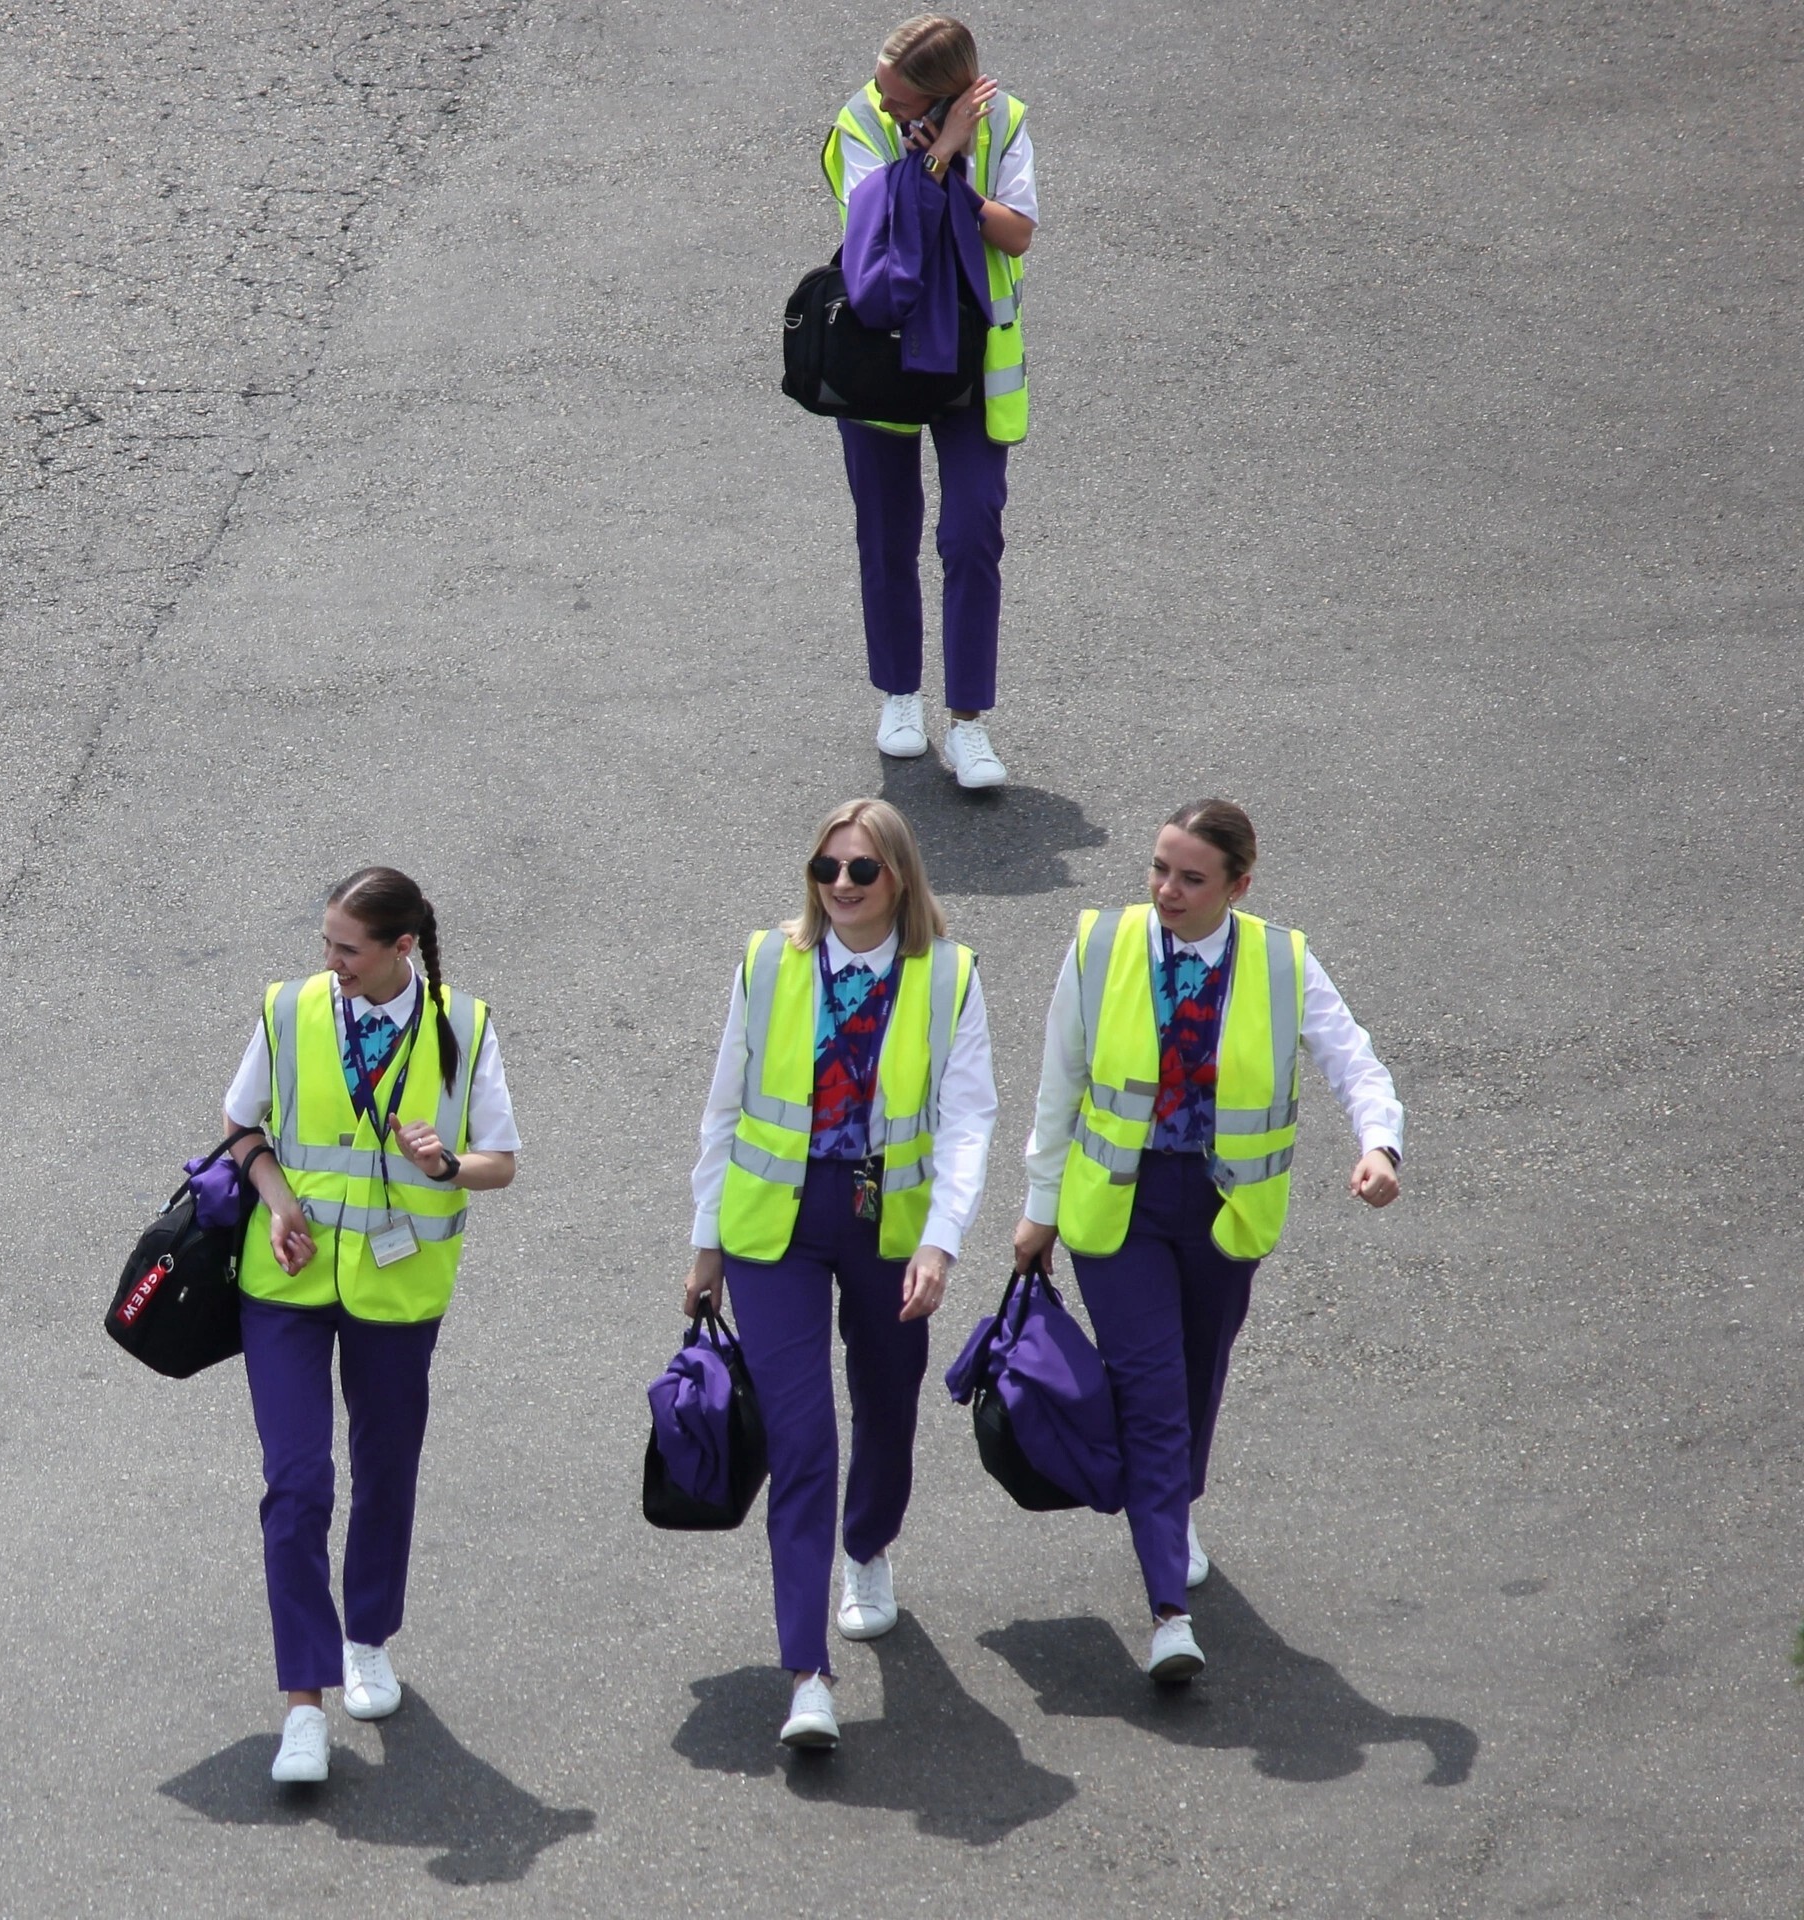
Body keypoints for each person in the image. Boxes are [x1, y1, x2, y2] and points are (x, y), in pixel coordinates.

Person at [1012, 801, 1403, 1683]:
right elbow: (1058, 1083)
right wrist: (1038, 1205)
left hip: (1225, 1213)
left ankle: (1171, 1500)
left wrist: (1379, 1145)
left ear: (1239, 885)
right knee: (1150, 1392)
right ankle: (1169, 1618)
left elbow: (1353, 1059)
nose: (1166, 890)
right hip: (1118, 1209)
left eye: (1191, 878)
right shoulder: (1100, 947)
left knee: (1196, 1375)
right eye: (1158, 869)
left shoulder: (1280, 961)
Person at [685, 798, 997, 1748]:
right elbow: (725, 1108)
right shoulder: (768, 962)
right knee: (802, 1435)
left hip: (888, 1228)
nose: (843, 887)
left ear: (898, 877)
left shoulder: (947, 976)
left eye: (862, 870)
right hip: (772, 1228)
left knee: (889, 1401)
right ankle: (807, 1674)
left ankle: (869, 1544)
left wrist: (941, 1242)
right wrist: (706, 1245)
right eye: (827, 871)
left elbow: (969, 1119)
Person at [220, 867, 519, 1784]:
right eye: (325, 944)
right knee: (298, 1481)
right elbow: (242, 1128)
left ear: (400, 949)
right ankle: (302, 1705)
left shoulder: (462, 1027)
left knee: (386, 1471)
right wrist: (275, 1201)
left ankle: (369, 1638)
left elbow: (500, 1162)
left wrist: (442, 1167)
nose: (329, 963)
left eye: (346, 949)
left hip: (398, 1295)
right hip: (289, 1285)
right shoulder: (291, 1009)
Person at [822, 15, 1037, 789]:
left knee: (972, 534)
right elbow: (870, 233)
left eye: (898, 97)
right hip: (882, 361)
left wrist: (956, 177)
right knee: (887, 536)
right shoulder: (857, 122)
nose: (882, 106)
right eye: (881, 90)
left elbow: (1015, 236)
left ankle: (969, 723)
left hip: (973, 364)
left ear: (946, 97)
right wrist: (934, 163)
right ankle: (901, 696)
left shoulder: (1005, 122)